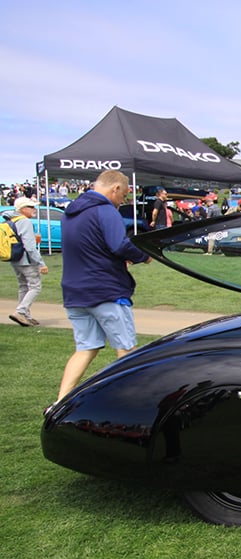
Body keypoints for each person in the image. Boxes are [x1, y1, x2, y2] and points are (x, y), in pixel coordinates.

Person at [56, 170, 152, 401]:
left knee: (86, 347)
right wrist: (144, 255)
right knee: (127, 351)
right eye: (124, 196)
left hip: (75, 292)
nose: (122, 202)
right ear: (115, 189)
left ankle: (60, 401)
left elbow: (91, 246)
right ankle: (134, 402)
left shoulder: (69, 213)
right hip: (105, 290)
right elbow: (119, 245)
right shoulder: (105, 210)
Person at [7, 197, 49, 326]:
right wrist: (41, 263)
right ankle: (21, 311)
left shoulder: (11, 221)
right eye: (31, 207)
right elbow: (30, 246)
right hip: (26, 260)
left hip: (15, 259)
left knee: (23, 286)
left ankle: (25, 315)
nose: (34, 210)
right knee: (35, 286)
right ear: (23, 209)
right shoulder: (24, 222)